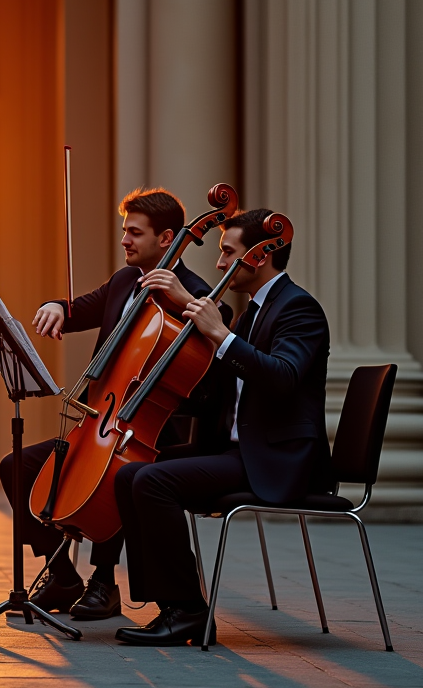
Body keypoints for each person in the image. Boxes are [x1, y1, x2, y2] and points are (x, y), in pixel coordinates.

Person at [0, 188, 229, 621]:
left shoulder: (197, 294)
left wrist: (183, 302)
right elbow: (79, 309)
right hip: (102, 421)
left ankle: (103, 581)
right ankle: (62, 574)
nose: (124, 239)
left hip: (154, 429)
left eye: (134, 233)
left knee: (116, 473)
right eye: (124, 230)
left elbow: (214, 364)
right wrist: (56, 306)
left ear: (167, 238)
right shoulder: (124, 281)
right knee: (16, 466)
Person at [113, 208, 332, 646]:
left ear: (258, 257)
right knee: (130, 472)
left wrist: (221, 335)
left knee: (154, 483)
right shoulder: (255, 310)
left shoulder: (298, 308)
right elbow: (221, 389)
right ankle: (170, 604)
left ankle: (191, 613)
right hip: (239, 450)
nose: (217, 264)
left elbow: (284, 376)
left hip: (275, 458)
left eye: (227, 253)